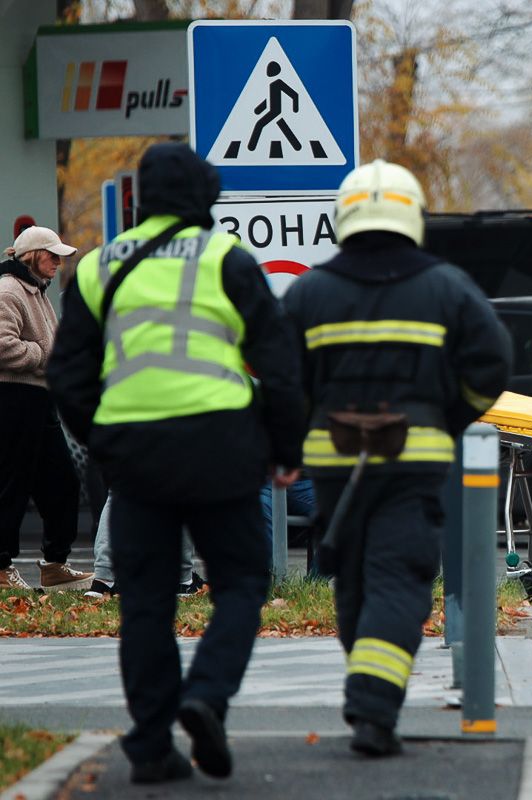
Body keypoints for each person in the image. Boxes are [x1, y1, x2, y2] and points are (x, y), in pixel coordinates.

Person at [48, 142, 306, 784]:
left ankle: (152, 747)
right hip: (223, 448)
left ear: (139, 199)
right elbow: (280, 364)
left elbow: (67, 375)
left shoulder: (98, 267)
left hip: (134, 454)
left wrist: (103, 440)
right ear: (205, 198)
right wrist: (284, 450)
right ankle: (206, 696)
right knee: (241, 583)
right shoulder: (227, 259)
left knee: (145, 602)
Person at [283, 159, 511, 757]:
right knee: (399, 578)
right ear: (412, 216)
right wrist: (448, 417)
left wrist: (294, 439)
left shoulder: (309, 290)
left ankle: (368, 694)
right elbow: (491, 364)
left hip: (332, 465)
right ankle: (373, 707)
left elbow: (284, 382)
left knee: (354, 577)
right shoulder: (447, 287)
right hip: (414, 466)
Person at [0, 225, 93, 592]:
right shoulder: (9, 290)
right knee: (11, 486)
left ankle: (55, 564)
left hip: (38, 398)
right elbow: (3, 345)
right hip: (13, 399)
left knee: (62, 483)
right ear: (32, 256)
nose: (58, 262)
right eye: (52, 255)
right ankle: (2, 569)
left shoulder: (35, 291)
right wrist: (46, 357)